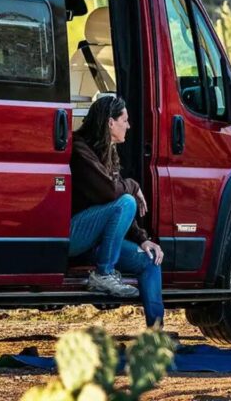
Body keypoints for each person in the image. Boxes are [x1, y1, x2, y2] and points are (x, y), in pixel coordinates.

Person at [70, 95, 165, 328]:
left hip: (100, 243)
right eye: (125, 120)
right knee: (127, 201)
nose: (129, 126)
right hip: (74, 236)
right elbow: (110, 193)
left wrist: (143, 241)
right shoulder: (80, 149)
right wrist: (134, 187)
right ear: (110, 123)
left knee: (151, 260)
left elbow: (117, 210)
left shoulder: (109, 151)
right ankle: (104, 273)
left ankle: (157, 332)